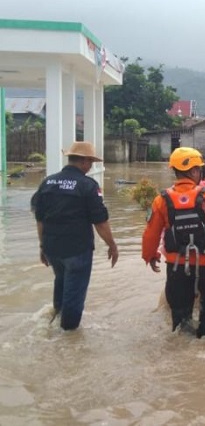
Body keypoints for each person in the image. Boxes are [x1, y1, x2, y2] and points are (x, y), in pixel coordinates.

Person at [142, 147, 205, 340]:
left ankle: (183, 340)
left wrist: (150, 256)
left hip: (176, 264)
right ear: (195, 171)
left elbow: (151, 234)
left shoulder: (161, 200)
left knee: (179, 306)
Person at [31, 141, 119, 330]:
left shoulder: (47, 183)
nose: (91, 166)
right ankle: (68, 338)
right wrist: (112, 245)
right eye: (91, 162)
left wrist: (42, 246)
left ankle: (56, 319)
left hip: (52, 248)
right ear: (85, 162)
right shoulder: (87, 185)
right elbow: (100, 222)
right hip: (77, 250)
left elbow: (39, 219)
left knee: (61, 282)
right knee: (75, 294)